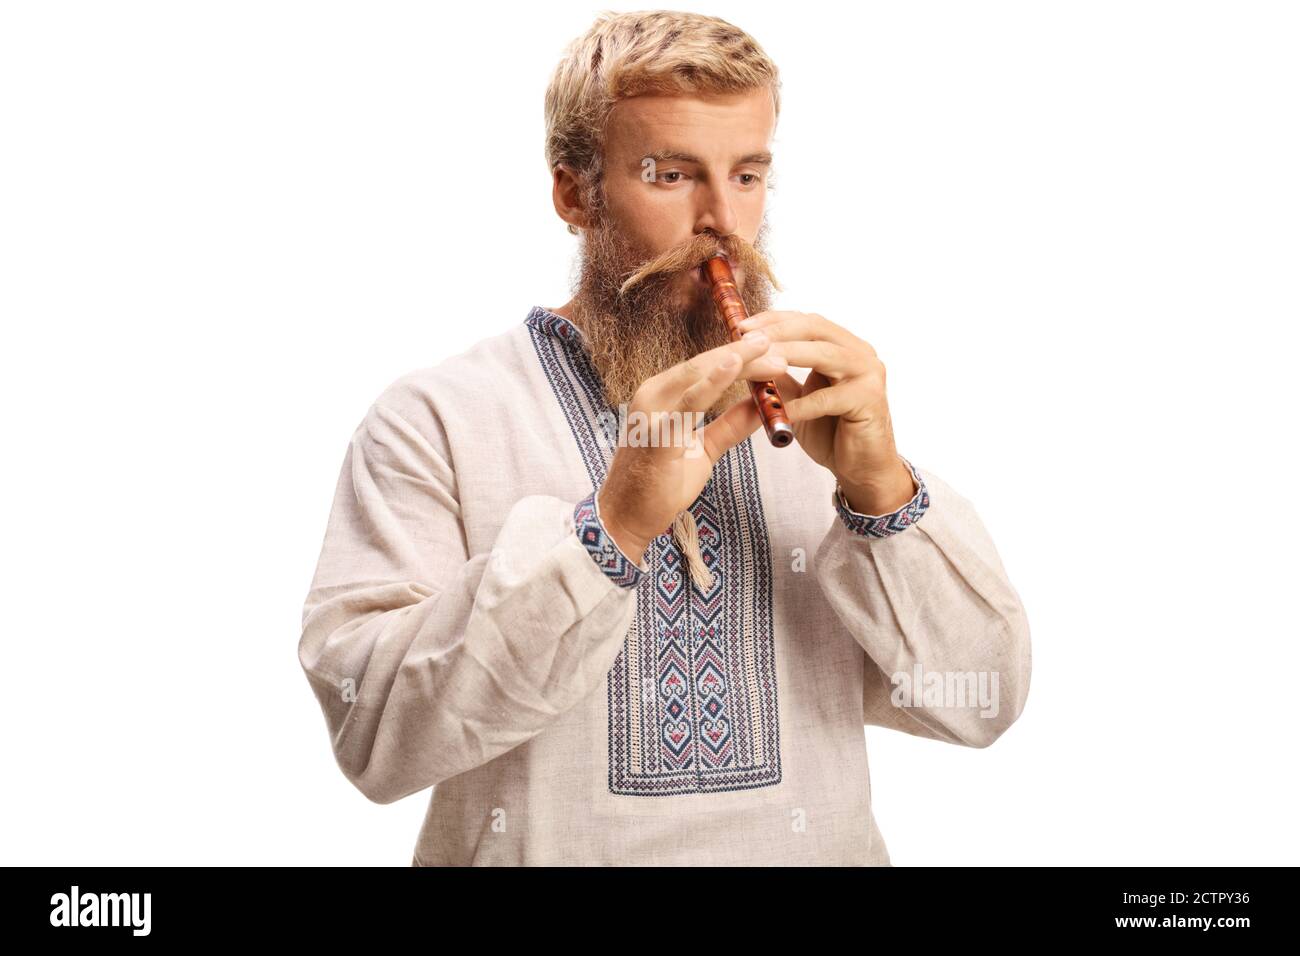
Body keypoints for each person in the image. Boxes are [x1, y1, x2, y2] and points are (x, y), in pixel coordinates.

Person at [298, 9, 1031, 866]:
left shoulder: (813, 416)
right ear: (575, 192)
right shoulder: (436, 419)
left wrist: (883, 497)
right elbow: (374, 735)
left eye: (749, 175)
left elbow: (981, 706)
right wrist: (610, 532)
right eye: (674, 174)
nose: (723, 218)